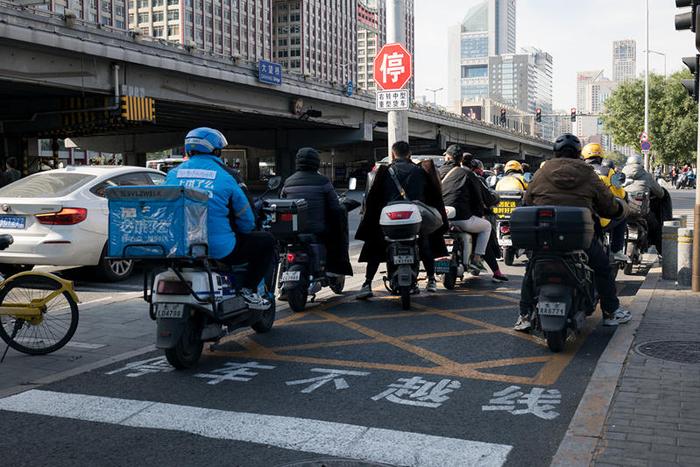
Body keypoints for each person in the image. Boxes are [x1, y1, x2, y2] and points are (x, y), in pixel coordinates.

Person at [514, 133, 631, 331]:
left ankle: (524, 315)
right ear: (578, 153)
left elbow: (527, 201)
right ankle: (610, 312)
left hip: (545, 235)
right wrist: (620, 209)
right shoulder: (587, 172)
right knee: (603, 268)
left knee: (531, 268)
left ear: (555, 152)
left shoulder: (543, 171)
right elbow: (607, 205)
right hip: (581, 238)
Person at [165, 127, 274, 310]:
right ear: (216, 150)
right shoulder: (226, 176)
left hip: (178, 246)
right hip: (218, 249)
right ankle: (248, 290)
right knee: (266, 242)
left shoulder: (172, 175)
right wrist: (248, 229)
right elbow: (246, 218)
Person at [356, 141, 447, 298]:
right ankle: (431, 279)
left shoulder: (384, 172)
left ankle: (367, 283)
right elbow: (432, 196)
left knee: (377, 246)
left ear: (392, 154)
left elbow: (372, 199)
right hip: (414, 217)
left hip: (389, 219)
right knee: (424, 241)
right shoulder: (420, 171)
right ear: (409, 154)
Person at [280, 147, 353, 277]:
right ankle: (335, 268)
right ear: (316, 162)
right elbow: (335, 207)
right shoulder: (323, 181)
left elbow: (282, 202)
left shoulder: (288, 182)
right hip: (317, 229)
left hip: (293, 231)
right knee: (338, 228)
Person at [439, 145, 491, 271]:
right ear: (461, 159)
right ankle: (477, 259)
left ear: (448, 157)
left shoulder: (437, 172)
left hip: (440, 219)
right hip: (462, 218)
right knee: (487, 226)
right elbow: (479, 197)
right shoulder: (467, 173)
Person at [582, 143, 629, 262]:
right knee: (623, 215)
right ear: (601, 157)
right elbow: (620, 193)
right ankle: (616, 250)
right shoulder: (607, 171)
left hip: (577, 216)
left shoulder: (576, 169)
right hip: (601, 218)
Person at [470, 158, 509, 282]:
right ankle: (495, 271)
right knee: (487, 232)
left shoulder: (445, 174)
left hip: (446, 217)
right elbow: (489, 198)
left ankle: (431, 275)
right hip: (467, 217)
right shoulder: (476, 179)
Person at [622, 155, 666, 253]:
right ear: (641, 164)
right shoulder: (647, 176)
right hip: (641, 211)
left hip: (622, 211)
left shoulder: (619, 175)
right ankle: (663, 253)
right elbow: (660, 193)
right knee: (656, 227)